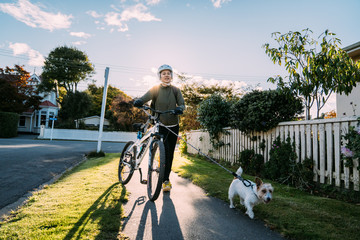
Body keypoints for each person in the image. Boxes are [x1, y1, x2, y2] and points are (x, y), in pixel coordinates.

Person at [133, 64, 185, 192]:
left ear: (171, 76)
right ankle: (151, 172)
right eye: (164, 73)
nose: (166, 75)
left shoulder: (176, 90)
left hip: (173, 125)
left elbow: (183, 105)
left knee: (169, 154)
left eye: (169, 73)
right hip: (159, 124)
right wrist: (139, 101)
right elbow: (144, 98)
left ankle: (166, 180)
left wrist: (179, 109)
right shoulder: (155, 89)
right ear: (160, 76)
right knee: (161, 151)